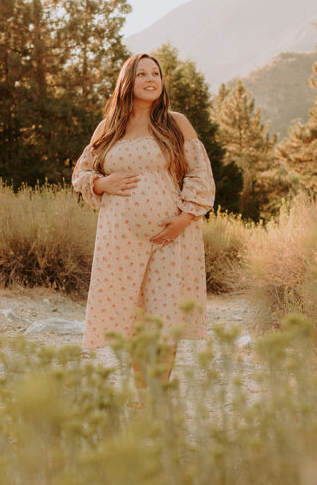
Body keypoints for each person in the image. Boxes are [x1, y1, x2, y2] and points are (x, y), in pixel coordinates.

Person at [72, 52, 215, 384]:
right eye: (142, 74)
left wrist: (186, 218)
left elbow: (199, 174)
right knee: (135, 316)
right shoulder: (109, 128)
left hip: (170, 238)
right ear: (128, 82)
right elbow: (82, 171)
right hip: (119, 240)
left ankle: (158, 393)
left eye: (156, 74)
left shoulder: (175, 123)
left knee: (164, 317)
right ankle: (141, 395)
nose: (152, 80)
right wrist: (101, 182)